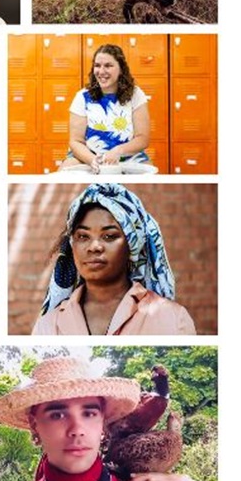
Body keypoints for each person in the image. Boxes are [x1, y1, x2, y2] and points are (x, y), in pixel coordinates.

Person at [0, 356, 216, 481]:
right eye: (57, 414)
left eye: (89, 413)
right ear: (34, 424)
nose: (77, 429)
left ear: (103, 423)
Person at [32, 184, 196, 335]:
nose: (94, 246)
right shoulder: (48, 325)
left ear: (132, 245)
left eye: (109, 236)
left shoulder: (172, 319)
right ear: (72, 243)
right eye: (83, 236)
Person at [58, 44, 151, 173]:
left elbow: (142, 138)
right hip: (87, 157)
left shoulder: (136, 94)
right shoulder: (82, 97)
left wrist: (118, 151)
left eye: (108, 66)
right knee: (65, 172)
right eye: (97, 65)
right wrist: (92, 160)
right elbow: (75, 141)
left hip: (128, 156)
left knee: (149, 175)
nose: (101, 71)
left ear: (121, 69)